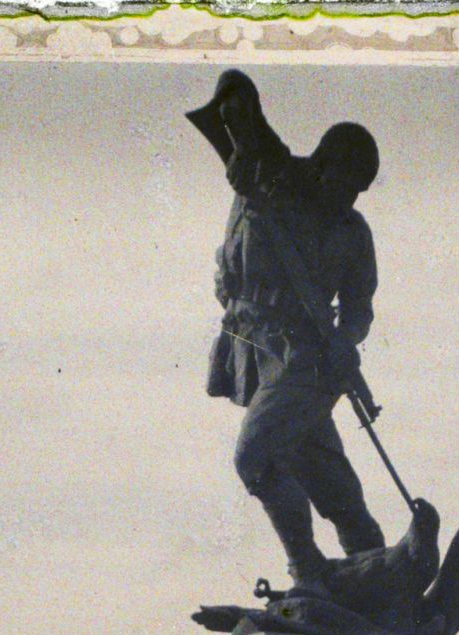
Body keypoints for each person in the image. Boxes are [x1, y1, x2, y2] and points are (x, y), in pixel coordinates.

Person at [187, 70, 387, 590]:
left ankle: (308, 570)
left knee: (255, 456)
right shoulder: (271, 182)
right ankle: (372, 562)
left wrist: (346, 342)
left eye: (359, 192)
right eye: (345, 185)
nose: (351, 200)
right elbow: (240, 99)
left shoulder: (351, 233)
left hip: (308, 359)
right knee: (325, 475)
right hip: (255, 349)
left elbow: (360, 308)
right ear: (321, 166)